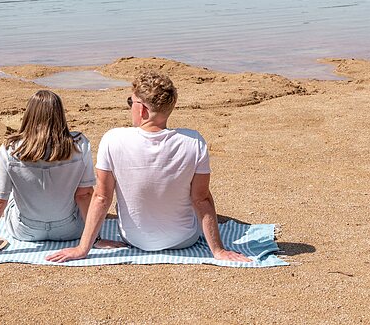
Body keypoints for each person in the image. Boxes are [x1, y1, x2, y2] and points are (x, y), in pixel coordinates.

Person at [47, 71, 250, 263]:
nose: (130, 107)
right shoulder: (193, 141)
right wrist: (218, 250)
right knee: (200, 195)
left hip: (134, 238)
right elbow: (201, 199)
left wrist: (83, 249)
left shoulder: (113, 139)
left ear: (142, 109)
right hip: (183, 238)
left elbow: (102, 197)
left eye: (130, 102)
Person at [0, 89, 120, 261]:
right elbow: (84, 195)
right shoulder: (79, 145)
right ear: (60, 115)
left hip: (25, 231)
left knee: (10, 197)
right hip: (71, 230)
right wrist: (95, 239)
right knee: (75, 191)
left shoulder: (10, 148)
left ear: (28, 115)